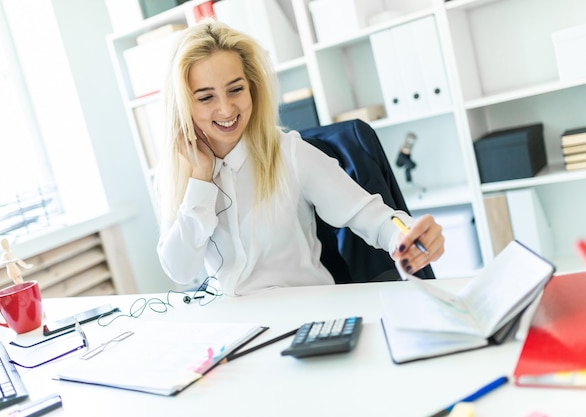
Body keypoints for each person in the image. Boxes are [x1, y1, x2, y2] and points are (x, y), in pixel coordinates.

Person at [155, 20, 444, 296]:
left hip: (307, 315)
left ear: (252, 87)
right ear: (183, 104)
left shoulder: (289, 153)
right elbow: (181, 271)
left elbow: (371, 216)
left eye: (236, 89)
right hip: (239, 325)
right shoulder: (179, 175)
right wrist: (200, 182)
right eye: (206, 97)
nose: (227, 109)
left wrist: (406, 237)